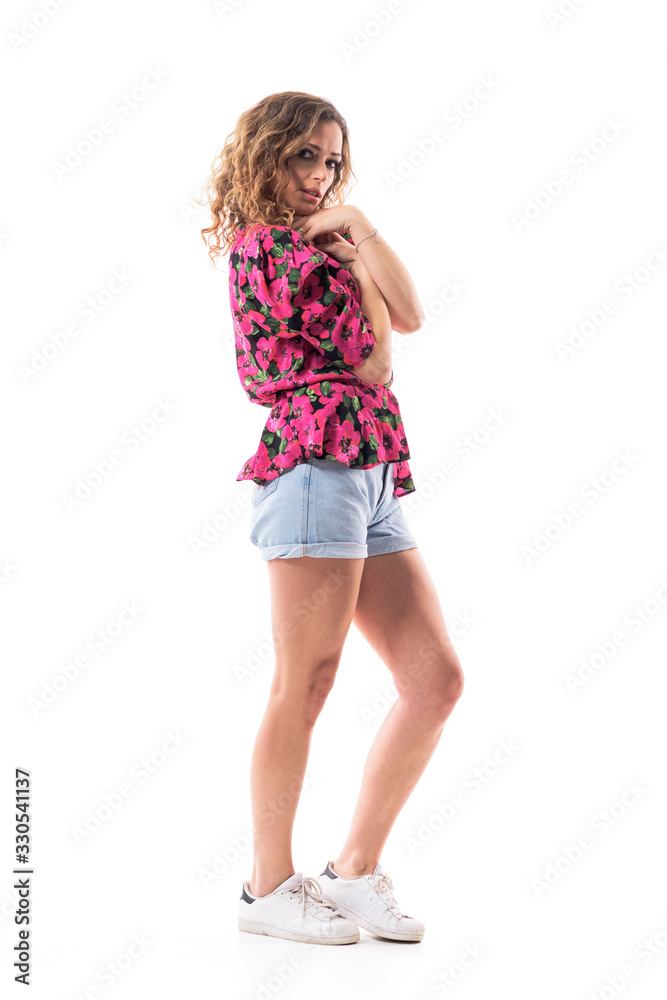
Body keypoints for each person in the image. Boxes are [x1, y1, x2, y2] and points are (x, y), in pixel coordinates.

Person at [200, 91, 464, 946]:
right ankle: (266, 888)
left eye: (331, 162)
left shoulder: (329, 234)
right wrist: (356, 260)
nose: (318, 176)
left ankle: (351, 870)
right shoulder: (269, 249)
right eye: (304, 157)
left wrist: (358, 227)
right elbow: (378, 357)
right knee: (305, 683)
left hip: (373, 464)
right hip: (315, 463)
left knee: (433, 680)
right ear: (264, 156)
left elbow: (413, 314)